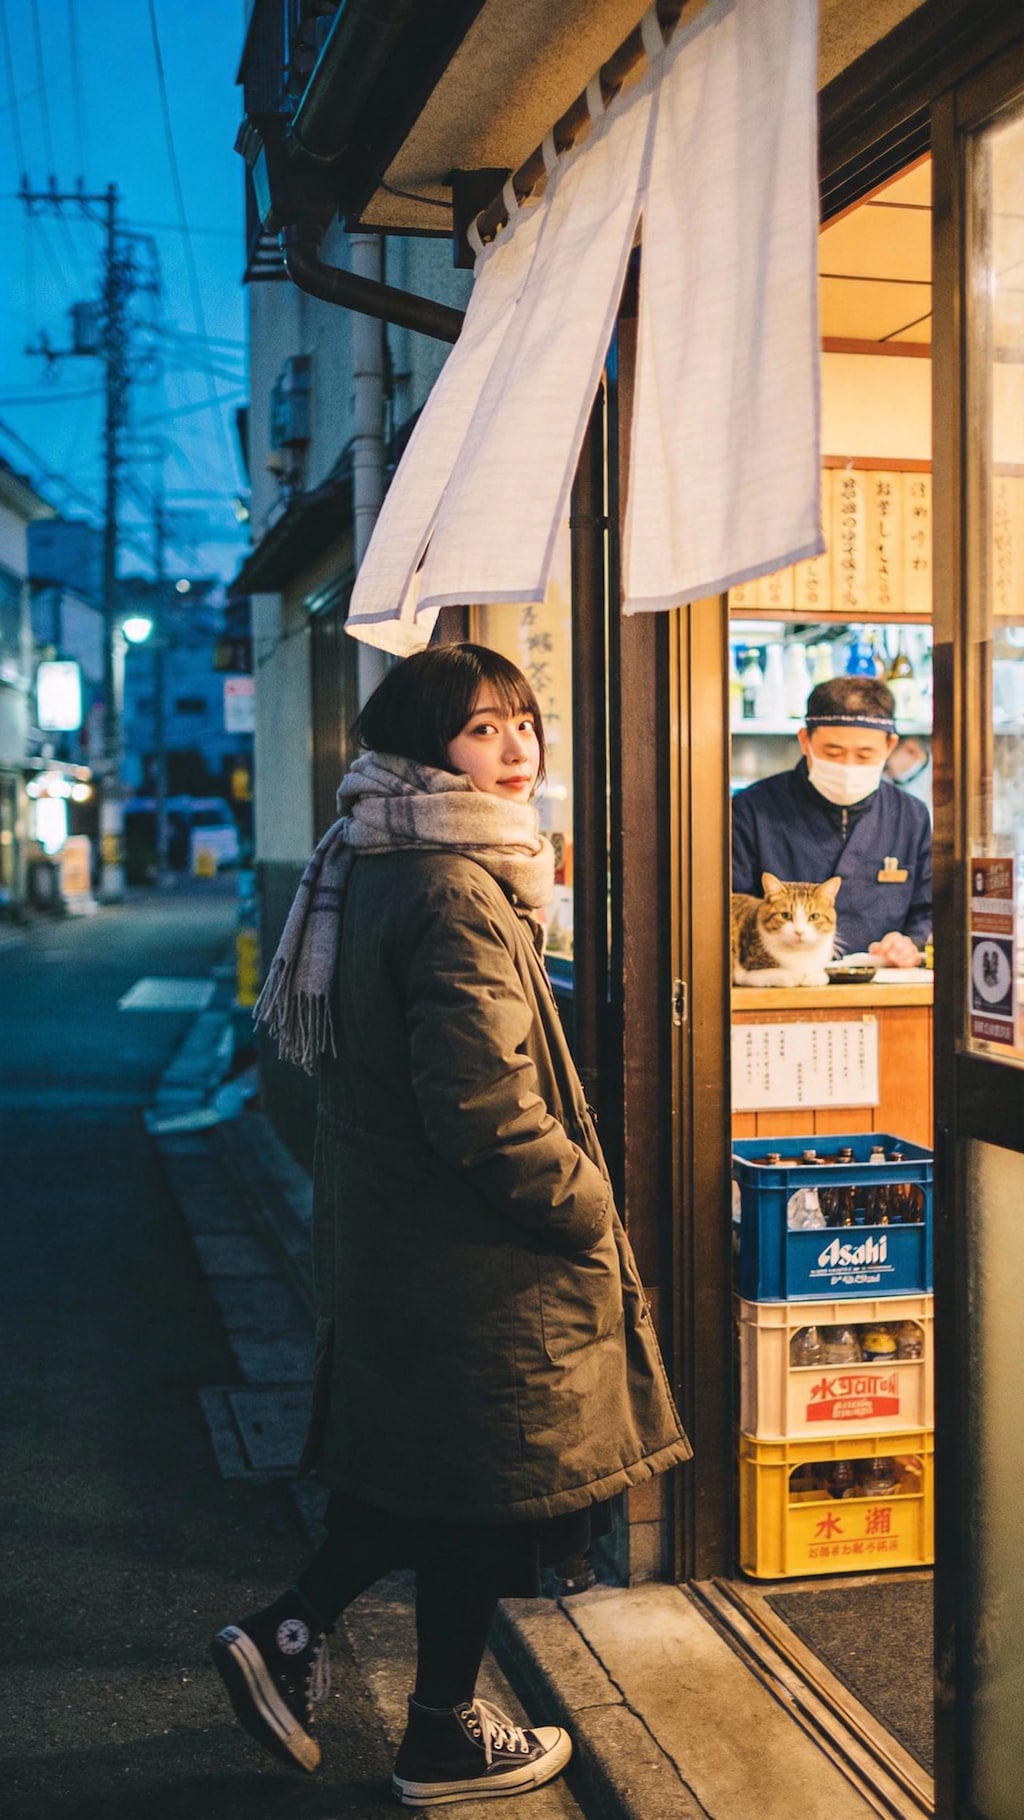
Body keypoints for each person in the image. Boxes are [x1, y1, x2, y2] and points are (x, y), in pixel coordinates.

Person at [210, 643, 691, 1808]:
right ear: (427, 745)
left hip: (417, 1245)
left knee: (441, 1482)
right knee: (489, 1489)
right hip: (481, 1259)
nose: (517, 746)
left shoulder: (379, 855)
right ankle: (431, 1731)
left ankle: (300, 1639)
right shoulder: (450, 884)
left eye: (524, 722)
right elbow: (481, 1105)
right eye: (483, 729)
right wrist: (587, 1207)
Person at [731, 676, 931, 966]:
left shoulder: (910, 816)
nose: (848, 766)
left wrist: (908, 944)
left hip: (884, 985)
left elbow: (926, 911)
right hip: (777, 985)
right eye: (833, 753)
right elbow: (728, 910)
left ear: (889, 746)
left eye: (865, 755)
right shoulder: (752, 809)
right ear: (805, 741)